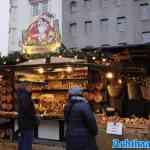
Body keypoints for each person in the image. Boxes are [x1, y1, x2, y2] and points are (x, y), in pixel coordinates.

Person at [16, 83, 39, 150]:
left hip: (23, 122)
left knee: (22, 140)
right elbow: (27, 110)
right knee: (27, 142)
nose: (31, 88)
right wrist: (34, 117)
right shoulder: (25, 97)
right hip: (27, 123)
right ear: (25, 88)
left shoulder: (21, 96)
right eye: (29, 87)